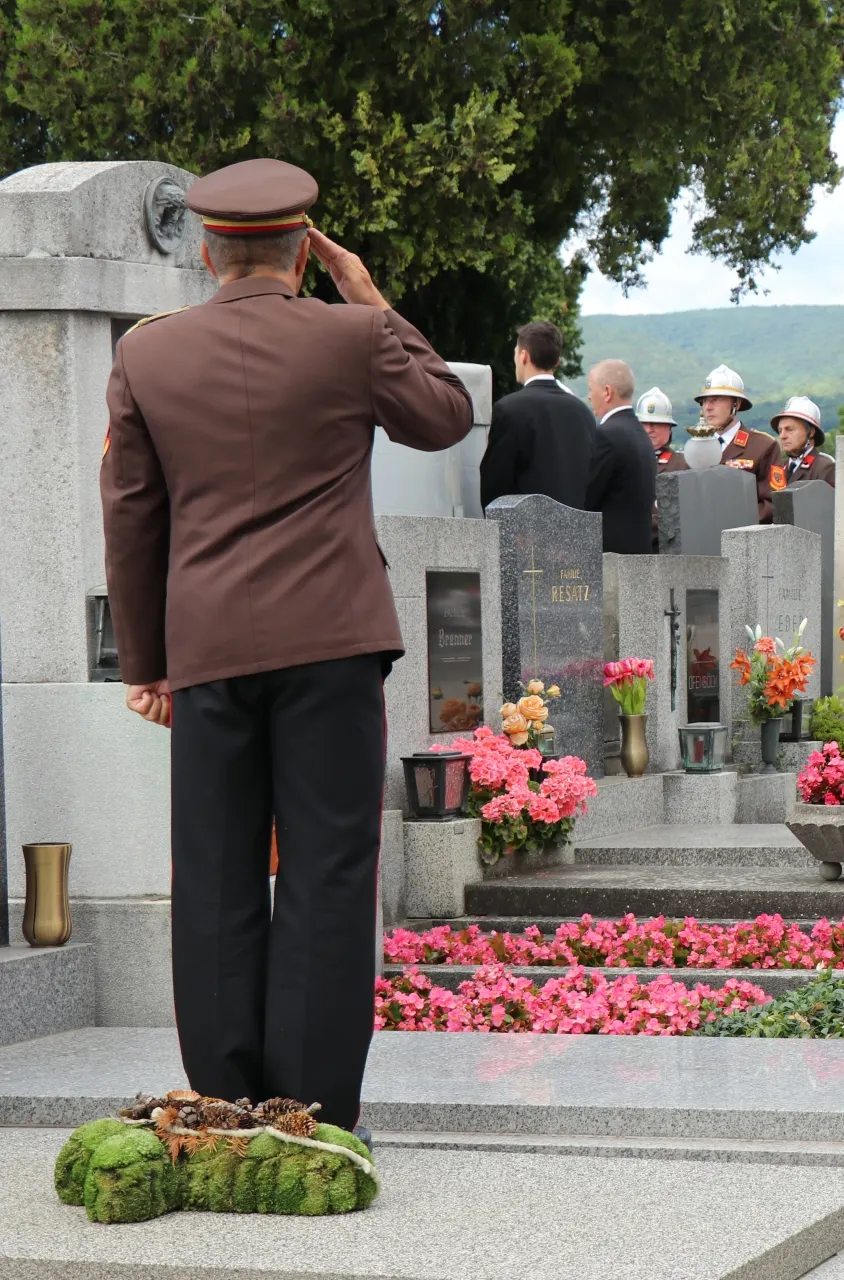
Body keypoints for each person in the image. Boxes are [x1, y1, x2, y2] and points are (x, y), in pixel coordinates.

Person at [100, 158, 473, 1136]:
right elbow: (446, 417)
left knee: (214, 870)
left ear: (208, 252)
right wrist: (370, 297)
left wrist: (146, 662)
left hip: (210, 646)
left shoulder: (148, 354)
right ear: (305, 251)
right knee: (328, 868)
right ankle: (308, 1112)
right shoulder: (352, 336)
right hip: (332, 641)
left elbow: (132, 513)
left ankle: (224, 1103)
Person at [479, 321, 601, 510]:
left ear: (524, 356)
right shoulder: (584, 413)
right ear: (557, 362)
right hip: (576, 525)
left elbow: (495, 484)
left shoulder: (509, 409)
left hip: (525, 525)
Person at [584, 358, 659, 554]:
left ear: (607, 392)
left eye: (591, 389)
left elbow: (585, 496)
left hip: (611, 556)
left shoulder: (606, 435)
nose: (589, 396)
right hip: (639, 550)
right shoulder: (640, 434)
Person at [693, 364, 780, 521]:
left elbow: (773, 504)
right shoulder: (697, 447)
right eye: (704, 401)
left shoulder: (763, 446)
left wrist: (733, 522)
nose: (708, 407)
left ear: (736, 404)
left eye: (716, 400)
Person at [774, 395, 836, 486]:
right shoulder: (779, 468)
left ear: (811, 432)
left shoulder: (825, 467)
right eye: (780, 431)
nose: (782, 436)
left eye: (789, 429)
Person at [638, 387, 687, 474]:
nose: (648, 430)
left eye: (655, 423)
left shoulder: (682, 464)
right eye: (644, 424)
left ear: (669, 428)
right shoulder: (625, 459)